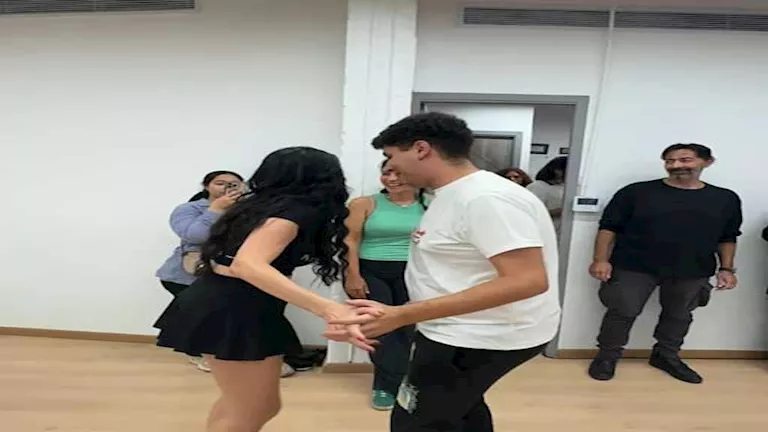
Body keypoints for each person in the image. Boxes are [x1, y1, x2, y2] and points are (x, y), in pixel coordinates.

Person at [326, 112, 561, 432]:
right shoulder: (449, 194)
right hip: (458, 328)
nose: (390, 167)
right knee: (462, 408)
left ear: (421, 149)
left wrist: (403, 315)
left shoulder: (486, 198)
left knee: (416, 420)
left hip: (478, 336)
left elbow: (527, 280)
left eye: (391, 156)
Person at [154, 147, 378, 432]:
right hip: (232, 309)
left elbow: (235, 261)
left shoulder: (261, 207)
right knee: (250, 409)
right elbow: (248, 265)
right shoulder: (291, 213)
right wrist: (329, 309)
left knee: (248, 406)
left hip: (236, 304)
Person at [587, 143, 742, 384]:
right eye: (670, 161)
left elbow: (728, 237)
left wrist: (727, 268)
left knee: (679, 315)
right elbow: (608, 228)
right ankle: (607, 356)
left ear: (707, 162)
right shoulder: (636, 192)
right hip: (633, 266)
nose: (676, 165)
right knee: (622, 312)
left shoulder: (725, 199)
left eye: (685, 160)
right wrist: (600, 260)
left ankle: (666, 356)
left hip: (693, 269)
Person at [344, 160, 427, 410]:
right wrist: (353, 275)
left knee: (406, 328)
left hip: (413, 272)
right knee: (378, 327)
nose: (392, 179)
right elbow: (350, 240)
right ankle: (386, 385)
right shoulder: (364, 204)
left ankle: (396, 379)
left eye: (399, 173)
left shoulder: (431, 205)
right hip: (371, 270)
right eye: (386, 173)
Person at [155, 170, 243, 372]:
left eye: (234, 184)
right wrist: (216, 209)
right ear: (206, 186)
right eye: (220, 183)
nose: (227, 187)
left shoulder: (246, 209)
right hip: (186, 275)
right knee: (202, 314)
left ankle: (214, 351)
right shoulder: (189, 209)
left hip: (228, 272)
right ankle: (197, 352)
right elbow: (195, 236)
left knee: (212, 313)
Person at [527, 156, 567, 235]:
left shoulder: (565, 187)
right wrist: (558, 211)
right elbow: (531, 212)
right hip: (542, 231)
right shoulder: (537, 187)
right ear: (557, 171)